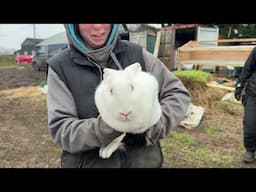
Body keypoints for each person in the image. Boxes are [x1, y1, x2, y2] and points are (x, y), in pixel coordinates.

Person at [47, 24, 191, 168]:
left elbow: (178, 93)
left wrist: (150, 127)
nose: (97, 26)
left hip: (143, 162)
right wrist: (104, 129)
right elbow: (61, 128)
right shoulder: (60, 67)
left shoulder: (137, 55)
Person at [235, 47, 256, 163]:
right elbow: (247, 69)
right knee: (250, 123)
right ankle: (250, 151)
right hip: (253, 93)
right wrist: (239, 86)